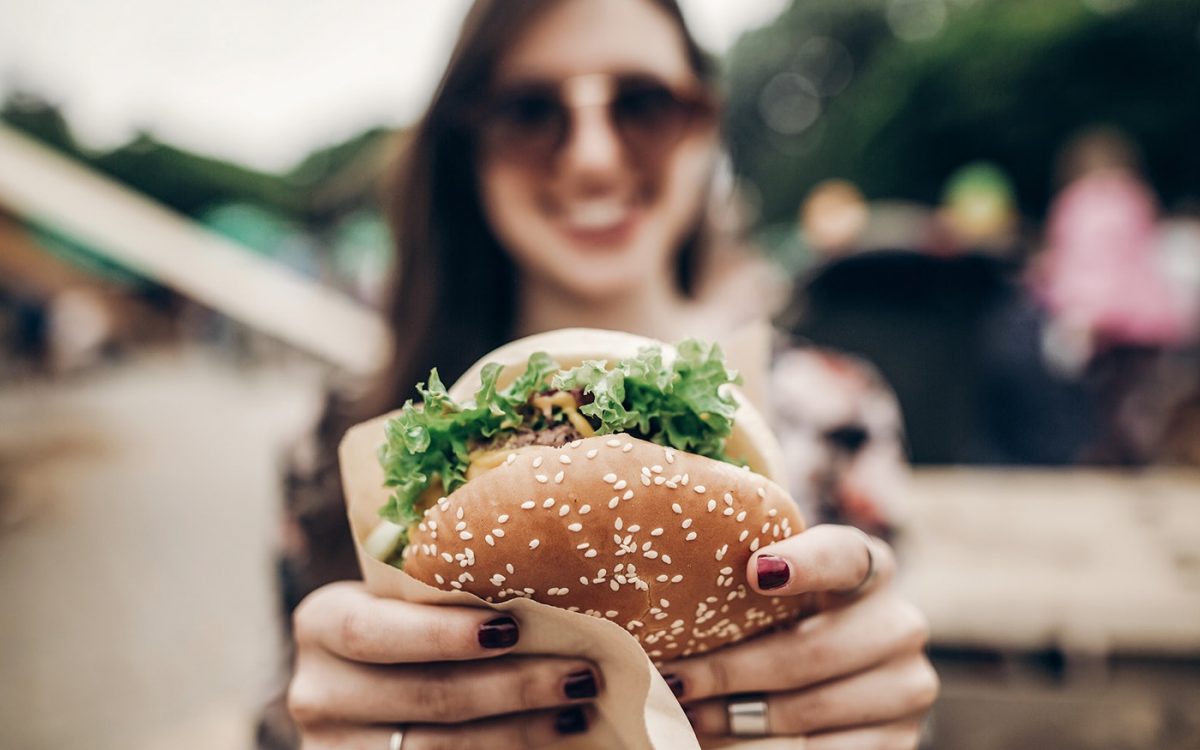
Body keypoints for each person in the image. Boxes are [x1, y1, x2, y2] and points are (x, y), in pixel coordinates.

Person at [263, 1, 938, 747]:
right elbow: (279, 712)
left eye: (643, 106)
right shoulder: (332, 443)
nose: (593, 158)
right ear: (467, 147)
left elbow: (881, 684)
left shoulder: (836, 409)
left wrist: (874, 708)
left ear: (703, 128)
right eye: (529, 112)